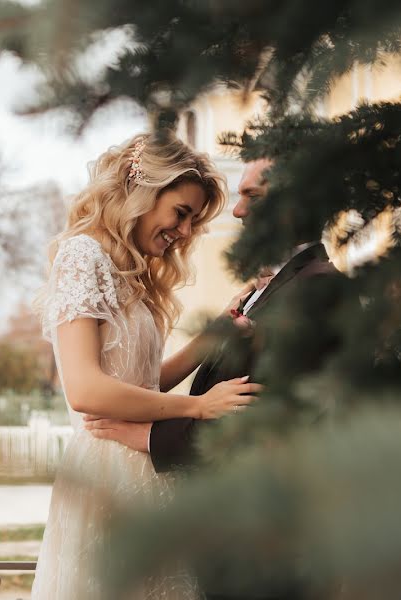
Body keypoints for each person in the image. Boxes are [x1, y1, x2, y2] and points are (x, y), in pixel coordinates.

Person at [84, 157, 340, 598]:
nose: (238, 211)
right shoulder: (282, 286)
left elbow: (270, 425)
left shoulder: (314, 290)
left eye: (252, 197)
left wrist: (148, 436)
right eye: (181, 213)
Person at [32, 133, 262, 600]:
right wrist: (196, 407)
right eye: (181, 212)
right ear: (142, 192)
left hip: (147, 469)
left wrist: (217, 334)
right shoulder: (82, 256)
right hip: (106, 476)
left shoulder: (130, 272)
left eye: (193, 221)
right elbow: (87, 391)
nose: (184, 231)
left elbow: (138, 383)